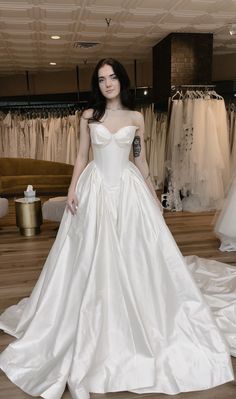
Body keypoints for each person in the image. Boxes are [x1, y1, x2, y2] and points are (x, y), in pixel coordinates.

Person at [0, 58, 235, 399]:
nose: (107, 83)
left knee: (138, 253)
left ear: (121, 81)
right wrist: (71, 189)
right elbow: (81, 156)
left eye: (112, 77)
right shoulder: (88, 117)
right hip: (95, 188)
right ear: (97, 85)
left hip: (128, 189)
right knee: (86, 255)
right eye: (101, 79)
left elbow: (139, 159)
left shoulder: (136, 118)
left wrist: (154, 196)